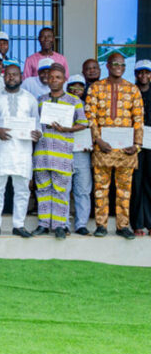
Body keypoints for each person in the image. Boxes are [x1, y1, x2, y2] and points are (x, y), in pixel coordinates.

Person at [85, 53, 144, 239]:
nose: (118, 66)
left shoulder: (133, 89)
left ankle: (123, 226)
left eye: (122, 64)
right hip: (102, 148)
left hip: (126, 150)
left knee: (124, 190)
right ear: (108, 66)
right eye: (115, 63)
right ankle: (101, 225)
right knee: (101, 189)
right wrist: (97, 140)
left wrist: (137, 144)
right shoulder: (96, 88)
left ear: (125, 68)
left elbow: (138, 118)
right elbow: (89, 116)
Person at [32, 64, 88, 240]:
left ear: (64, 80)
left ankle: (59, 225)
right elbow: (34, 123)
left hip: (63, 153)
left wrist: (66, 128)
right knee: (42, 189)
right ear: (46, 80)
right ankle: (43, 224)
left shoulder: (74, 101)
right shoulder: (40, 100)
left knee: (61, 191)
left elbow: (84, 123)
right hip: (42, 152)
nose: (54, 80)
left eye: (57, 77)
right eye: (51, 77)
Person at [0, 64, 41, 238]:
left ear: (21, 77)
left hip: (22, 151)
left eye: (15, 75)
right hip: (0, 150)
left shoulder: (30, 99)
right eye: (8, 75)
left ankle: (19, 225)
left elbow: (37, 124)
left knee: (22, 189)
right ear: (4, 77)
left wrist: (37, 133)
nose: (11, 77)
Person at [66, 74, 94, 235]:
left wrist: (92, 144)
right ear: (67, 88)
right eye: (73, 86)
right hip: (64, 151)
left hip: (83, 153)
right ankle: (63, 223)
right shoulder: (61, 105)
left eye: (80, 86)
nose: (76, 89)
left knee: (82, 190)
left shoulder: (90, 106)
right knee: (63, 189)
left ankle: (81, 224)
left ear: (84, 89)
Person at [131, 60, 151, 235]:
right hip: (134, 144)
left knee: (150, 182)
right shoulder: (131, 92)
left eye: (147, 72)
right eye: (140, 72)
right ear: (135, 74)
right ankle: (137, 223)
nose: (143, 76)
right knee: (136, 183)